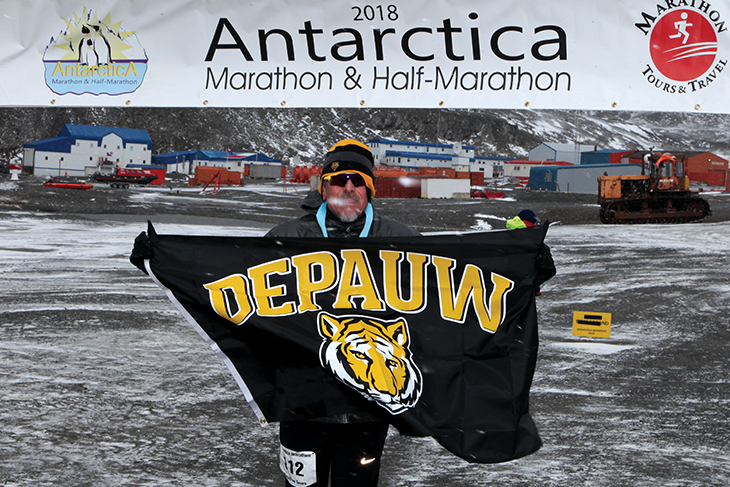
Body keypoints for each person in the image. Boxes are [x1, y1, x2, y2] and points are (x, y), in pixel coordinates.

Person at [266, 139, 420, 487]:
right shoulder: (284, 239)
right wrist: (161, 260)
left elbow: (452, 288)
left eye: (357, 180)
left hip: (368, 412)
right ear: (323, 188)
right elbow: (224, 285)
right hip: (301, 405)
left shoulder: (404, 240)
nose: (348, 187)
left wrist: (525, 271)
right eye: (338, 180)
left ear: (370, 189)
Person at [505, 209, 556, 295]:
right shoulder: (536, 245)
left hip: (504, 290)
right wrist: (531, 284)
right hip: (525, 293)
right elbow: (549, 270)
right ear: (532, 224)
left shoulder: (503, 239)